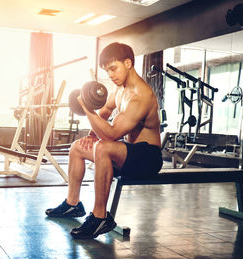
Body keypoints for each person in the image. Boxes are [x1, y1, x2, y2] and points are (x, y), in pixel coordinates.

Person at [45, 42, 163, 239]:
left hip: (148, 159)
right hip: (129, 153)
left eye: (113, 68)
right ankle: (72, 204)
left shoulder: (141, 96)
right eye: (107, 71)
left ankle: (100, 217)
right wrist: (91, 135)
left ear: (128, 63)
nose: (111, 75)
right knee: (77, 147)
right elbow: (106, 111)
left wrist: (87, 109)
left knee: (102, 147)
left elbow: (110, 135)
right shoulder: (120, 90)